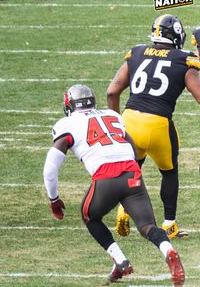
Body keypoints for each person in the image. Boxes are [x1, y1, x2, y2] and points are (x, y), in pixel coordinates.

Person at [43, 84, 185, 286]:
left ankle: (120, 261)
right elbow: (132, 147)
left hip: (106, 176)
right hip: (132, 172)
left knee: (89, 216)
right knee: (146, 226)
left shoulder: (65, 124)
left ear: (69, 105)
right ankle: (168, 250)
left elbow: (50, 168)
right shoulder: (112, 115)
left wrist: (54, 198)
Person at [107, 14, 200, 239]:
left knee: (132, 167)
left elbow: (112, 91)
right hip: (158, 124)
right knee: (169, 171)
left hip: (130, 119)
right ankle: (169, 225)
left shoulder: (137, 52)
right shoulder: (184, 59)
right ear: (177, 34)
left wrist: (116, 123)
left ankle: (123, 209)